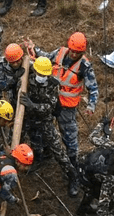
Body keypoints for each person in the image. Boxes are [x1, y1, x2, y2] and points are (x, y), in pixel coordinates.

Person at [40, 31, 98, 193]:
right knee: (44, 127)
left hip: (67, 108)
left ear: (82, 52)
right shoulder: (59, 53)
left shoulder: (85, 66)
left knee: (70, 139)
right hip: (51, 101)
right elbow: (45, 57)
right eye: (72, 50)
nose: (73, 54)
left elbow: (93, 88)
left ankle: (73, 172)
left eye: (77, 52)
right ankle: (45, 152)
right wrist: (33, 49)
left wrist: (91, 105)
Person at [19, 56, 78, 181]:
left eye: (44, 74)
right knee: (34, 142)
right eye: (39, 73)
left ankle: (72, 175)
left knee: (57, 149)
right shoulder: (28, 79)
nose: (41, 76)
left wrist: (33, 105)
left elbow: (49, 107)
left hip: (45, 120)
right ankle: (38, 159)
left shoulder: (52, 84)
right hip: (31, 119)